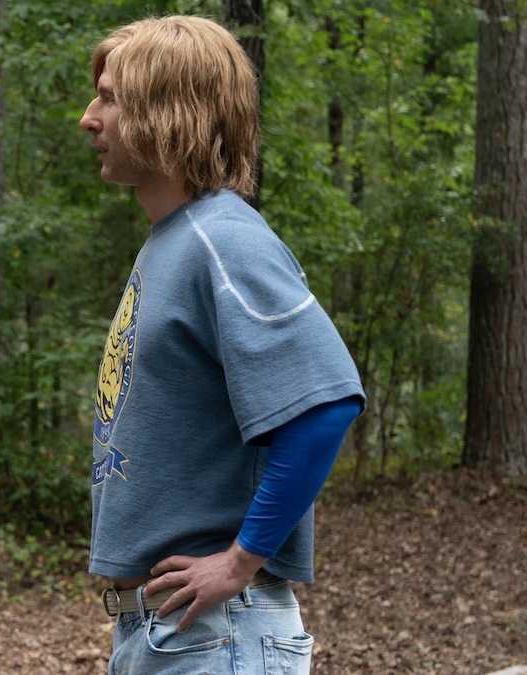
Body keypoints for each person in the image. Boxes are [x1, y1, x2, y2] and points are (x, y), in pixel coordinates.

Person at [79, 15, 365, 675]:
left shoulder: (224, 240)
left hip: (217, 634)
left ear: (168, 113)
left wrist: (240, 561)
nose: (88, 118)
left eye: (110, 98)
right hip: (168, 631)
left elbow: (326, 403)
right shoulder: (173, 241)